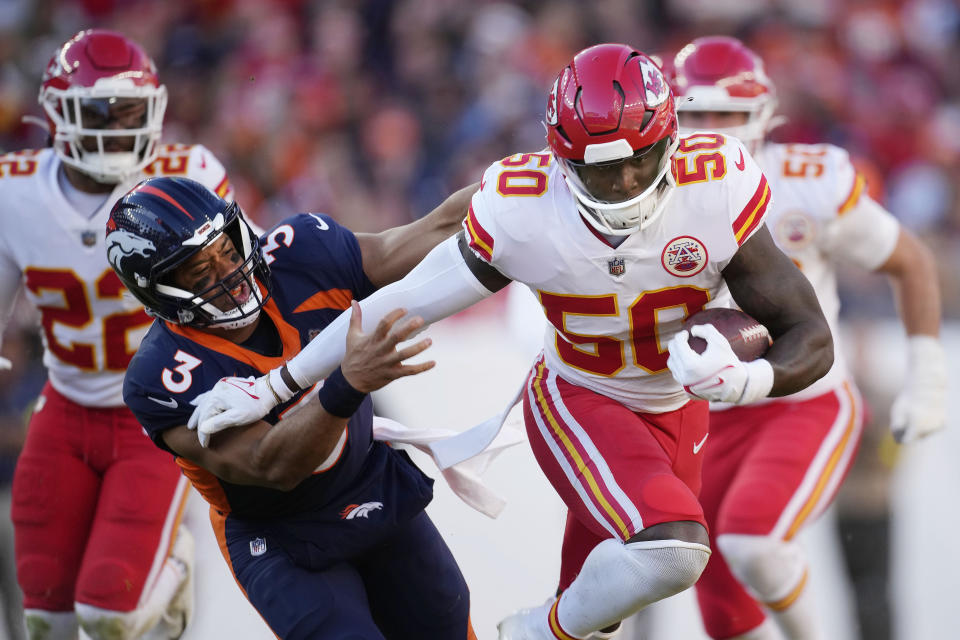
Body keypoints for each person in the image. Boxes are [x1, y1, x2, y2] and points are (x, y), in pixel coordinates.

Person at [189, 43, 836, 640]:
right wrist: (279, 382)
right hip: (584, 397)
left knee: (608, 605)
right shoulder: (525, 208)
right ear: (559, 157)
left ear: (668, 140)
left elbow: (808, 331)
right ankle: (530, 633)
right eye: (598, 172)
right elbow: (404, 298)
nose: (622, 188)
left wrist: (751, 382)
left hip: (679, 407)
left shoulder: (716, 183)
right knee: (673, 549)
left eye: (637, 164)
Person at [111, 175, 481, 639]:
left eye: (226, 249)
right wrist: (347, 384)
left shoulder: (298, 253)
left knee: (447, 623)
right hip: (280, 533)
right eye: (199, 271)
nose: (228, 274)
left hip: (364, 479)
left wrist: (532, 179)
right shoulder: (162, 375)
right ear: (158, 289)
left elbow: (428, 231)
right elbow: (272, 465)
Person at [665, 36, 946, 640]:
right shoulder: (646, 198)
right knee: (716, 605)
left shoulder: (808, 182)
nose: (712, 131)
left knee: (753, 542)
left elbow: (911, 260)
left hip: (803, 399)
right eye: (696, 115)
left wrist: (929, 373)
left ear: (765, 115)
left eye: (728, 115)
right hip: (706, 416)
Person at [1, 29, 237, 640]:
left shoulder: (189, 173)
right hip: (64, 408)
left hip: (155, 417)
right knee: (44, 622)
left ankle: (176, 564)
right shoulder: (15, 190)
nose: (117, 128)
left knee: (110, 616)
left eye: (131, 113)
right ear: (57, 114)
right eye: (100, 113)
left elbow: (248, 283)